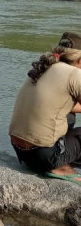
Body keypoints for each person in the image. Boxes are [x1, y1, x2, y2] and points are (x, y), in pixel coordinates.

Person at [9, 44, 81, 183]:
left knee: (68, 116)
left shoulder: (44, 68)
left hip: (22, 153)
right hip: (45, 156)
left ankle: (59, 162)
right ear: (79, 60)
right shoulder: (74, 74)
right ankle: (58, 166)